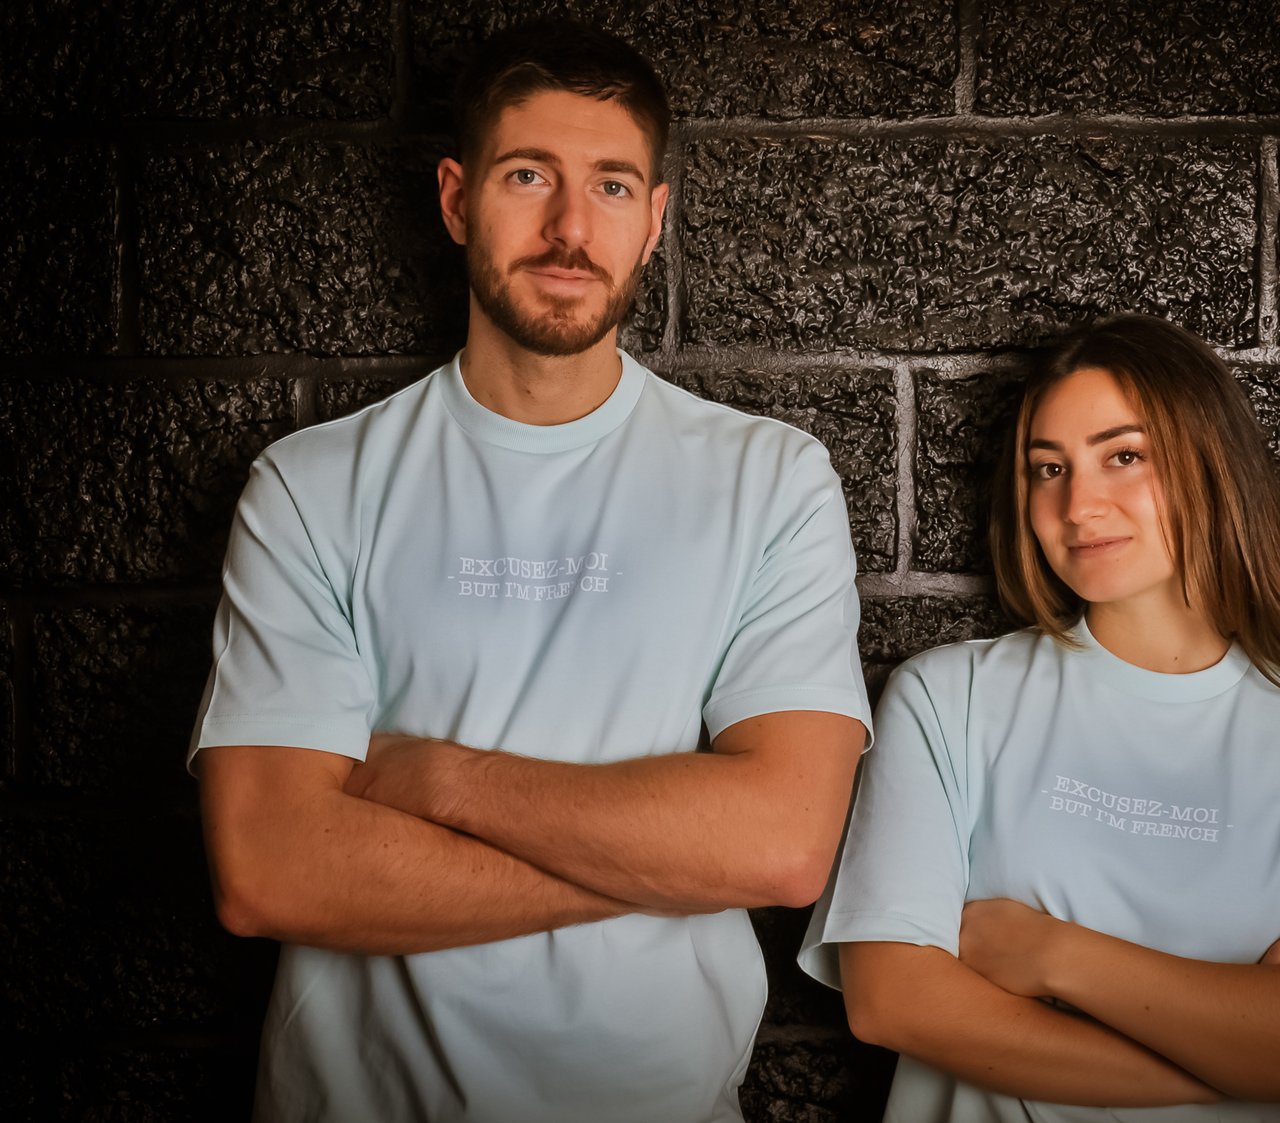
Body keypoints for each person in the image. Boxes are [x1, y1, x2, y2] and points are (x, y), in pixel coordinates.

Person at [190, 20, 870, 1123]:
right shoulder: (312, 485)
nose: (568, 227)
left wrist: (441, 783)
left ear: (653, 221)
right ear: (459, 200)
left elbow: (785, 845)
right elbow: (270, 868)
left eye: (609, 185)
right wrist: (671, 857)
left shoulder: (769, 480)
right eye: (527, 176)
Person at [799, 313, 1280, 1121]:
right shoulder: (948, 698)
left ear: (1211, 466)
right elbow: (892, 1001)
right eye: (1048, 467)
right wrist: (1253, 1048)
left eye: (1123, 456)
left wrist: (1048, 952)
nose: (1078, 503)